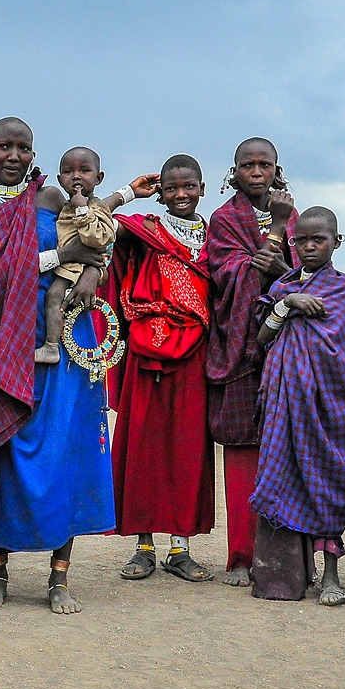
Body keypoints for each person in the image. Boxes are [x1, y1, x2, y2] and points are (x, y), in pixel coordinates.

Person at [0, 117, 152, 613]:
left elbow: (95, 235)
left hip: (69, 342)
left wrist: (95, 266)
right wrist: (62, 254)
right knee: (7, 447)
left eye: (23, 147)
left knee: (68, 445)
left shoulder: (53, 199)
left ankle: (59, 577)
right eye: (4, 147)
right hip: (7, 342)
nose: (14, 156)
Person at [250, 207, 345, 604]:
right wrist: (288, 304)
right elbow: (264, 338)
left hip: (332, 407)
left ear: (337, 242)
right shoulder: (283, 286)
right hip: (287, 407)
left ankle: (332, 575)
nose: (309, 246)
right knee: (287, 481)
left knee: (330, 483)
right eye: (301, 240)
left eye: (318, 239)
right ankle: (287, 576)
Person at [107, 154, 215, 582]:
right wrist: (127, 193)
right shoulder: (144, 230)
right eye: (171, 188)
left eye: (189, 186)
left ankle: (180, 548)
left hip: (195, 355)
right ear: (160, 192)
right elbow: (89, 219)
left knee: (187, 450)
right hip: (145, 352)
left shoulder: (216, 238)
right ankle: (144, 546)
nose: (180, 195)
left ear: (203, 188)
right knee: (143, 448)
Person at [204, 138, 297, 586]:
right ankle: (241, 556)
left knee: (285, 451)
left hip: (287, 349)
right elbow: (223, 273)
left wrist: (280, 251)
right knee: (242, 452)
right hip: (238, 345)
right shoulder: (224, 219)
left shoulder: (295, 216)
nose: (256, 171)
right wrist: (261, 258)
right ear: (234, 171)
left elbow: (306, 272)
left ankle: (284, 557)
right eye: (247, 165)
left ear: (277, 169)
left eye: (264, 164)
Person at [35, 147, 117, 365]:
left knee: (54, 296)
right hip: (66, 264)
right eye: (69, 171)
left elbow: (98, 239)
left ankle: (51, 347)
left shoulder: (96, 209)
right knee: (54, 298)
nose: (76, 176)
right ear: (60, 179)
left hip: (74, 267)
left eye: (85, 170)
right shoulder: (64, 205)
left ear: (99, 178)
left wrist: (82, 211)